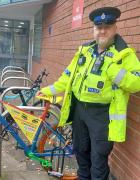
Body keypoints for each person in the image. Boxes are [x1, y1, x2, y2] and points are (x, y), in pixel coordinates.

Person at [38, 7, 140, 180]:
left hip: (102, 115)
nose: (102, 30)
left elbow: (136, 83)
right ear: (94, 29)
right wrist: (48, 90)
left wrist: (115, 71)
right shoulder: (84, 51)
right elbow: (67, 76)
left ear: (115, 28)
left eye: (107, 26)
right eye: (98, 27)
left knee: (98, 157)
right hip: (79, 111)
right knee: (80, 150)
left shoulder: (125, 55)